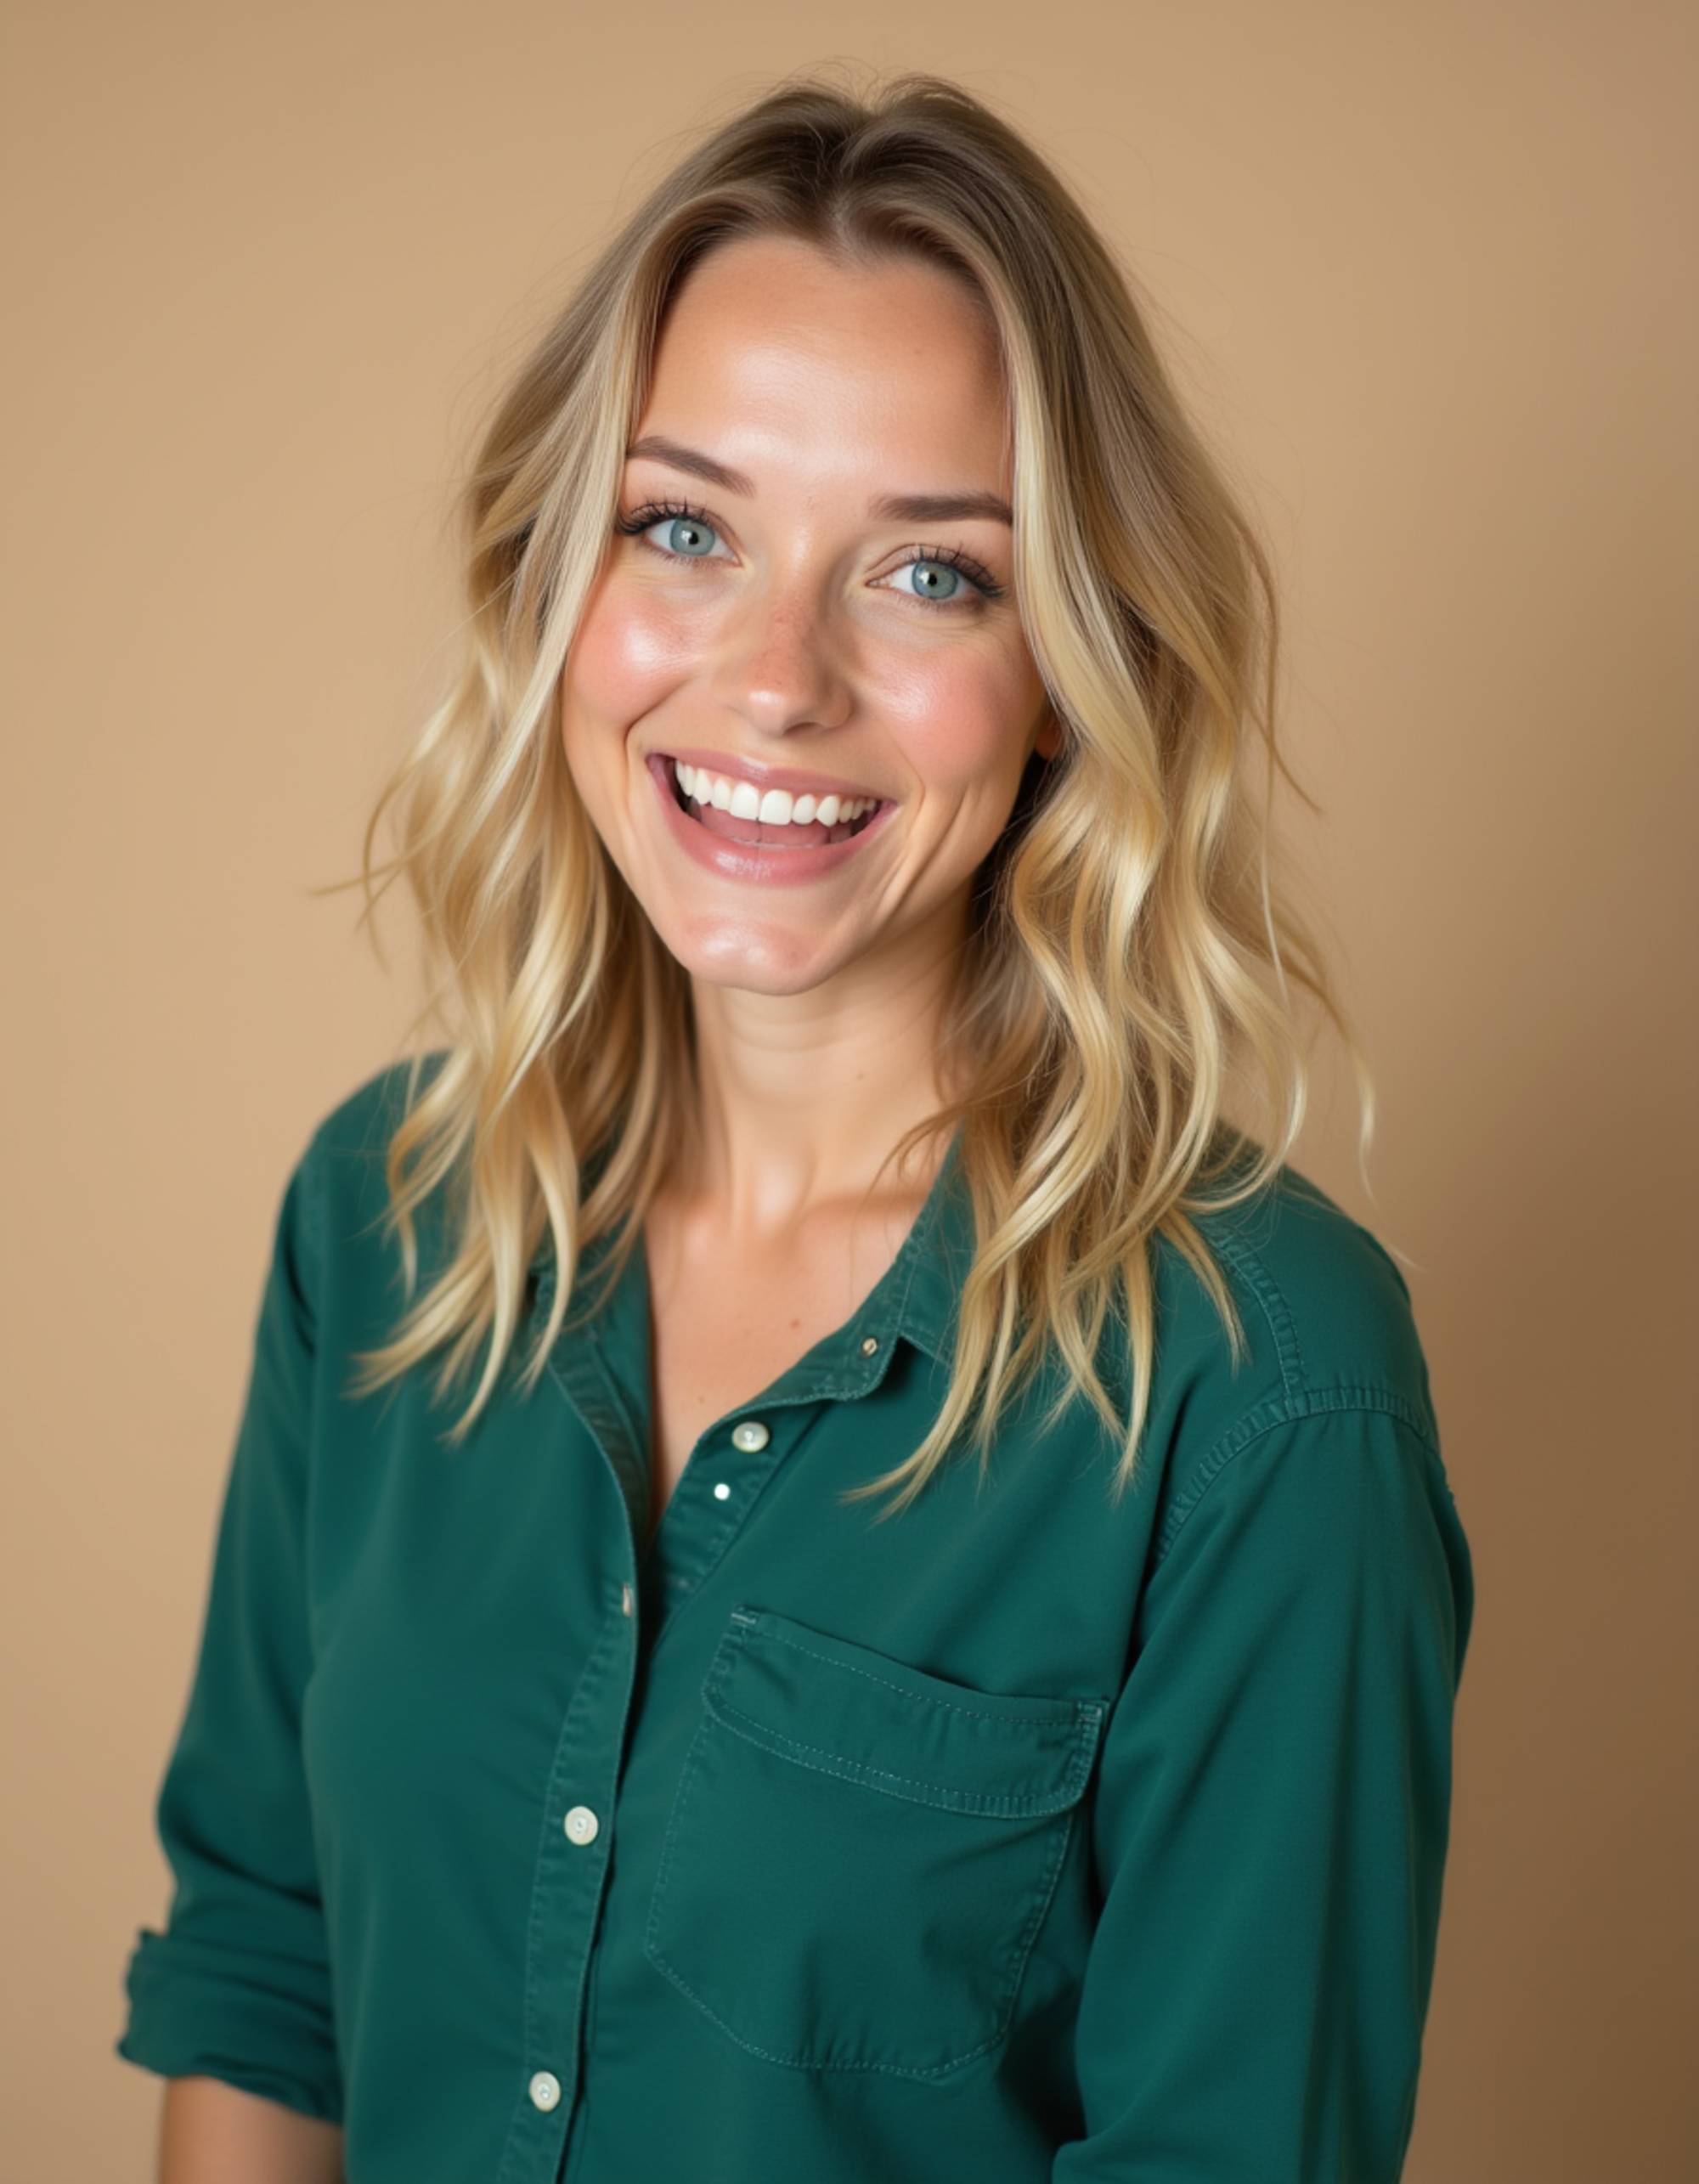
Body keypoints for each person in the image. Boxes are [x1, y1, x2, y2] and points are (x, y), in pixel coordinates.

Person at [115, 68, 1475, 2184]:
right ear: (559, 578)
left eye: (928, 575)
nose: (774, 680)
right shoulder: (386, 1218)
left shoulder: (1263, 1382)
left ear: (1070, 668)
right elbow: (267, 1970)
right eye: (685, 528)